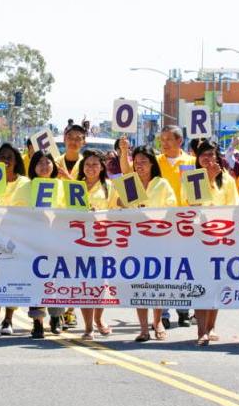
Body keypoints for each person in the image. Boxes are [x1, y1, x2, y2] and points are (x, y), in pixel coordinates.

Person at [121, 125, 195, 328]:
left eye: (168, 139)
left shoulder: (191, 162)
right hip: (145, 235)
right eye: (161, 139)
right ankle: (158, 318)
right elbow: (127, 175)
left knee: (178, 271)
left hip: (180, 224)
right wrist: (124, 150)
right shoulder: (153, 162)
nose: (164, 143)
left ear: (179, 141)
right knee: (147, 278)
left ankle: (183, 310)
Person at [113, 145, 177, 342]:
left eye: (143, 162)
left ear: (152, 164)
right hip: (136, 241)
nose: (139, 166)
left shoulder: (162, 184)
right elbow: (119, 204)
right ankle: (143, 328)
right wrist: (124, 204)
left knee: (157, 284)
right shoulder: (130, 183)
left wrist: (151, 214)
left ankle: (157, 321)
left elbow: (172, 208)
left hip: (159, 240)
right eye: (137, 162)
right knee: (139, 284)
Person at [185, 140, 239, 346]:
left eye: (212, 155)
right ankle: (201, 330)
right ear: (197, 158)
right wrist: (207, 178)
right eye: (204, 155)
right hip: (197, 238)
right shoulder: (191, 179)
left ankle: (211, 325)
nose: (208, 159)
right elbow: (192, 204)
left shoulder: (228, 180)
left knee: (216, 284)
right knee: (200, 284)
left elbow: (234, 208)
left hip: (220, 239)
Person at [0, 143, 30, 336]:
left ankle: (8, 320)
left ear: (16, 161)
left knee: (12, 277)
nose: (5, 160)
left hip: (15, 238)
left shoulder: (25, 183)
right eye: (2, 157)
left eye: (9, 157)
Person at [76, 149, 116, 340]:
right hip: (79, 242)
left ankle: (99, 319)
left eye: (95, 164)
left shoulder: (110, 186)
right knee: (85, 283)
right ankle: (88, 327)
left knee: (100, 284)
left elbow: (117, 212)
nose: (90, 168)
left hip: (103, 241)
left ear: (102, 167)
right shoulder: (75, 186)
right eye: (87, 164)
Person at [26, 150, 65, 338]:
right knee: (36, 282)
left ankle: (57, 318)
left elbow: (73, 208)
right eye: (39, 162)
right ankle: (37, 321)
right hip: (33, 242)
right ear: (33, 166)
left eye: (48, 162)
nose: (44, 165)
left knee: (56, 281)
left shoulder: (62, 186)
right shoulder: (26, 186)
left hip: (57, 241)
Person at [55, 124, 86, 328]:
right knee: (58, 268)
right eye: (70, 137)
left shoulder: (88, 164)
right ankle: (56, 310)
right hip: (57, 221)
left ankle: (70, 311)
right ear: (64, 139)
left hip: (80, 223)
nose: (74, 141)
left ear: (83, 142)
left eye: (78, 138)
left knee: (76, 270)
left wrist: (66, 178)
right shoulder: (53, 161)